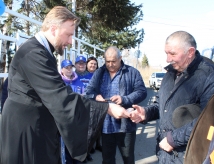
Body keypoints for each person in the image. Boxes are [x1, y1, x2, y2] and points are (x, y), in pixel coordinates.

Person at [0, 6, 130, 164]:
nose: (70, 41)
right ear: (54, 28)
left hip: (36, 126)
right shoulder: (33, 53)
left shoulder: (41, 51)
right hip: (26, 130)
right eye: (68, 35)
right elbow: (60, 97)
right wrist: (106, 108)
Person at [130, 31, 214, 164]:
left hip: (189, 155)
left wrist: (173, 140)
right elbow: (162, 105)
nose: (167, 59)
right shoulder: (170, 73)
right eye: (166, 53)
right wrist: (146, 113)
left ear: (190, 52)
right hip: (164, 152)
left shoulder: (211, 77)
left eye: (172, 54)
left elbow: (208, 121)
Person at [85, 46, 147, 164]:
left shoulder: (132, 72)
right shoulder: (99, 73)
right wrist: (97, 97)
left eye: (113, 61)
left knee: (128, 159)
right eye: (107, 61)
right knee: (107, 160)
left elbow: (142, 92)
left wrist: (125, 99)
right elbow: (89, 91)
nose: (110, 64)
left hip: (126, 126)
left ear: (120, 58)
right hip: (105, 125)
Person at [86, 56, 102, 154]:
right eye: (91, 63)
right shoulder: (83, 75)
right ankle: (90, 145)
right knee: (89, 126)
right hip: (88, 103)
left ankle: (98, 144)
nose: (93, 65)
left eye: (95, 64)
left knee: (99, 124)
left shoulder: (99, 75)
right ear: (87, 64)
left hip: (98, 102)